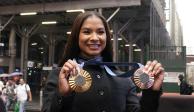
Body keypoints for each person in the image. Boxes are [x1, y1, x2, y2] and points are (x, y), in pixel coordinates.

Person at [42, 11, 164, 112]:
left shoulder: (124, 80)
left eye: (100, 32)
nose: (95, 38)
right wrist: (62, 94)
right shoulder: (60, 76)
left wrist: (151, 92)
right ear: (76, 37)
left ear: (107, 37)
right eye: (86, 32)